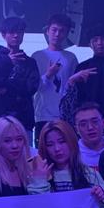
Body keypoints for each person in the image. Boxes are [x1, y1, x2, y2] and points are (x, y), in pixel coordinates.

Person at [59, 25, 104, 126]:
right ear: (89, 44)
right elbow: (78, 98)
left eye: (103, 39)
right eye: (95, 40)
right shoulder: (82, 67)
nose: (99, 43)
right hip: (91, 120)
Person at [0, 17, 40, 142]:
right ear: (3, 34)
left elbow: (31, 88)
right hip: (0, 117)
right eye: (12, 32)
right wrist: (8, 62)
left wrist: (5, 88)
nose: (16, 35)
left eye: (20, 31)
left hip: (24, 119)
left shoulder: (30, 62)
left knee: (26, 153)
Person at [32, 14, 78, 142]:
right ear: (47, 31)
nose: (57, 34)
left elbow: (73, 89)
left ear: (67, 34)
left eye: (62, 31)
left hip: (65, 115)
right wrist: (48, 74)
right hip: (42, 115)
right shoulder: (37, 56)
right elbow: (34, 88)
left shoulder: (71, 58)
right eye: (54, 30)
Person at [74, 102, 104, 170]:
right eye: (83, 124)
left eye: (95, 121)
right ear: (76, 130)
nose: (90, 127)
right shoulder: (73, 154)